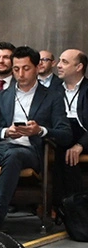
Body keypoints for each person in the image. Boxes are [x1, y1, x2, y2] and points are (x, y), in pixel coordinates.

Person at [0, 46, 70, 229]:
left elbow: (65, 133)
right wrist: (5, 132)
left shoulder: (53, 96)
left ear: (37, 67)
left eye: (26, 68)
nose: (20, 74)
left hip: (30, 150)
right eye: (16, 69)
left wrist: (40, 130)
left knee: (14, 156)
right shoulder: (2, 96)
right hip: (1, 145)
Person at [54, 48, 88, 212]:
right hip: (60, 137)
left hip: (83, 137)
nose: (59, 65)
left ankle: (68, 206)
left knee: (67, 146)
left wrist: (81, 145)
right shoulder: (53, 91)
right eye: (59, 61)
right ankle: (70, 206)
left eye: (64, 62)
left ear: (79, 67)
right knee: (62, 142)